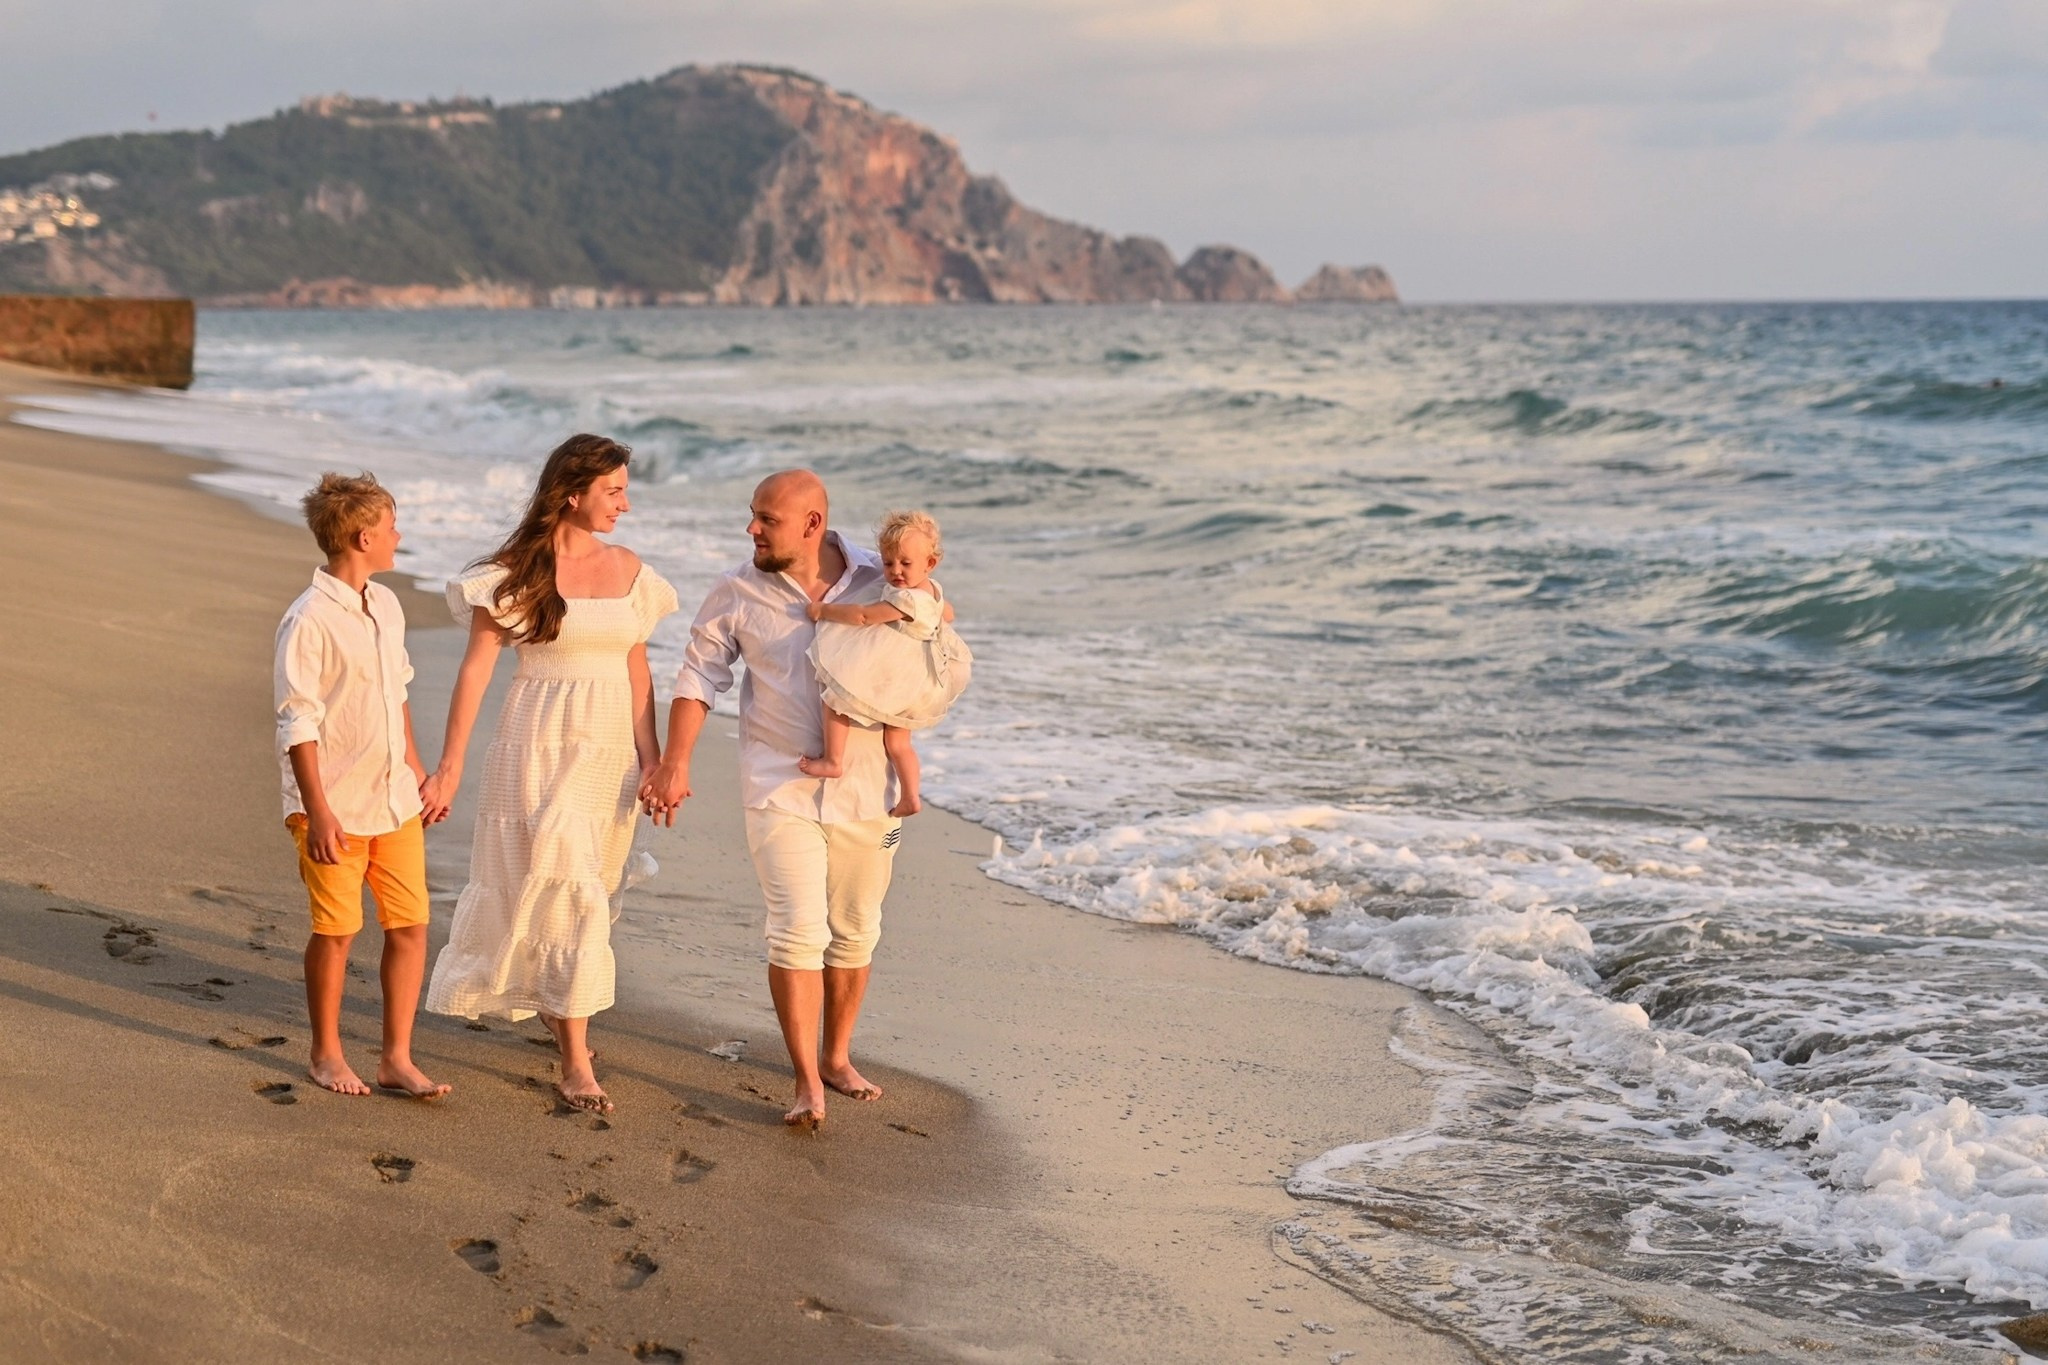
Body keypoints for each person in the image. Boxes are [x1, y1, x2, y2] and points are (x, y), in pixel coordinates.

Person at [420, 434, 677, 1115]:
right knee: (560, 878)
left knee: (586, 882)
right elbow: (475, 672)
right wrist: (448, 768)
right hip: (536, 740)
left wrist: (653, 759)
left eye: (625, 488)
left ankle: (561, 1008)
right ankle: (575, 1061)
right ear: (572, 492)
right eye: (614, 490)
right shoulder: (515, 572)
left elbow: (637, 668)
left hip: (609, 750)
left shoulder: (628, 568)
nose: (626, 502)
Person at [641, 469, 898, 1129]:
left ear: (813, 525)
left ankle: (837, 1057)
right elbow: (699, 671)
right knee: (797, 927)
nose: (750, 529)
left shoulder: (879, 580)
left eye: (766, 519)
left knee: (858, 927)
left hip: (872, 793)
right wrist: (675, 760)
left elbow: (937, 639)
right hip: (776, 786)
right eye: (752, 515)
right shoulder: (738, 590)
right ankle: (807, 1079)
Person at [274, 471, 449, 1099]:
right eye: (393, 525)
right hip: (334, 806)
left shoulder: (387, 605)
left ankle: (395, 1058)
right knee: (338, 930)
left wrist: (419, 772)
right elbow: (298, 721)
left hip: (394, 796)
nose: (400, 535)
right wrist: (317, 810)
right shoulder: (309, 619)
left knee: (410, 926)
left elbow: (395, 694)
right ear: (362, 534)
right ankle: (326, 1054)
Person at [796, 509, 972, 818]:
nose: (895, 571)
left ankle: (832, 760)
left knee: (837, 695)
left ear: (930, 564)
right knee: (899, 743)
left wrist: (823, 611)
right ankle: (911, 796)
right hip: (919, 676)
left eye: (906, 564)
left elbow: (864, 617)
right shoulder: (931, 590)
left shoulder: (906, 600)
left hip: (895, 672)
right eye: (888, 563)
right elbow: (949, 614)